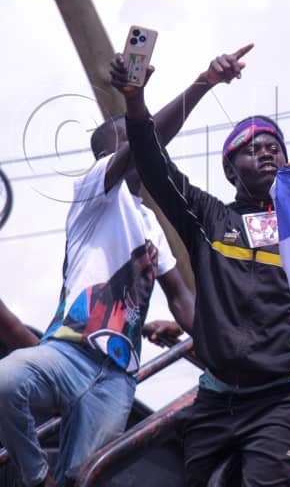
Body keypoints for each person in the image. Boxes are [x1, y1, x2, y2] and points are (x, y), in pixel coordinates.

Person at [113, 46, 290, 487]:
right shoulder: (208, 218)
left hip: (280, 398)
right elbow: (151, 162)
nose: (266, 154)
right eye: (252, 148)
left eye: (274, 148)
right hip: (215, 397)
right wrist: (138, 99)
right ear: (229, 170)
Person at [0, 104, 195, 487]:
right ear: (109, 154)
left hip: (118, 377)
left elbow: (181, 298)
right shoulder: (94, 190)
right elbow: (142, 142)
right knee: (7, 380)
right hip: (68, 352)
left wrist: (216, 350)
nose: (142, 142)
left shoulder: (150, 224)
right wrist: (203, 83)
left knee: (83, 476)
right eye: (129, 137)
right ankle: (37, 478)